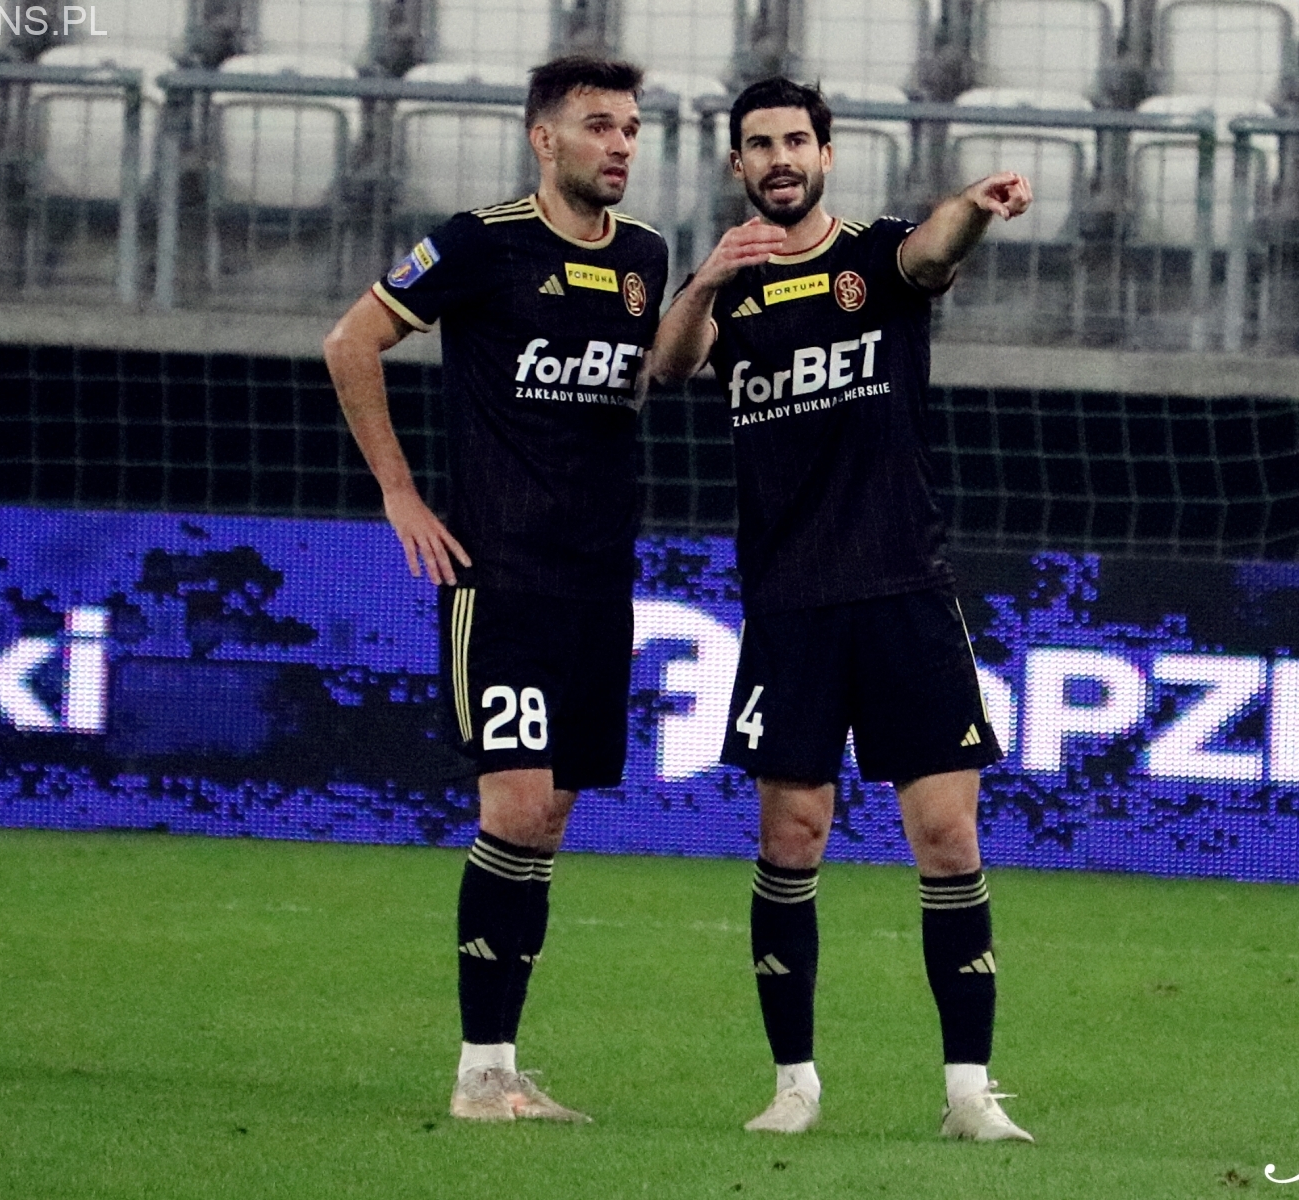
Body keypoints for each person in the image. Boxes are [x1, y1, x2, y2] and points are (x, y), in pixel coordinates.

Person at [649, 76, 1036, 1143]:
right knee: (793, 833)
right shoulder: (729, 285)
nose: (779, 158)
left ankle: (970, 1094)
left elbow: (935, 256)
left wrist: (975, 205)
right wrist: (706, 279)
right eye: (759, 144)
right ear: (737, 164)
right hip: (791, 605)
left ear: (826, 154)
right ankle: (794, 1086)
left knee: (947, 835)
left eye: (795, 141)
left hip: (906, 591)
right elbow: (668, 367)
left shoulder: (877, 255)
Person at [322, 55, 668, 1125]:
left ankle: (503, 1065)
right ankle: (477, 1075)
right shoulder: (480, 243)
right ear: (543, 138)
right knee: (513, 806)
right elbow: (352, 340)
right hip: (500, 576)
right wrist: (400, 494)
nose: (619, 144)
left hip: (598, 582)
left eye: (631, 127)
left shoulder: (646, 258)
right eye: (599, 124)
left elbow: (652, 380)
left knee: (549, 820)